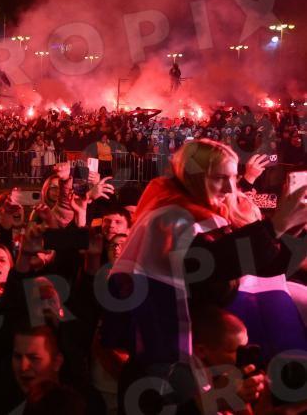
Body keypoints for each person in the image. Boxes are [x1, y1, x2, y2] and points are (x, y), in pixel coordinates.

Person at [105, 139, 307, 410]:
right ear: (193, 176)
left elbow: (266, 266)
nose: (230, 188)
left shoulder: (207, 215)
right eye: (220, 178)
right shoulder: (168, 217)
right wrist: (277, 225)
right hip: (163, 372)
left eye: (233, 177)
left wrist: (298, 228)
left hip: (198, 363)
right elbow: (214, 261)